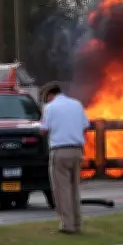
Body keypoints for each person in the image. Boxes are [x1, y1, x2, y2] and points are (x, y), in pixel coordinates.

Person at [40, 81, 89, 234]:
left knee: (62, 189)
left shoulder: (49, 107)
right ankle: (77, 222)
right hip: (77, 151)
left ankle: (67, 224)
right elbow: (85, 126)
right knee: (74, 188)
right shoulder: (77, 104)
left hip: (60, 151)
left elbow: (43, 130)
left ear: (50, 95)